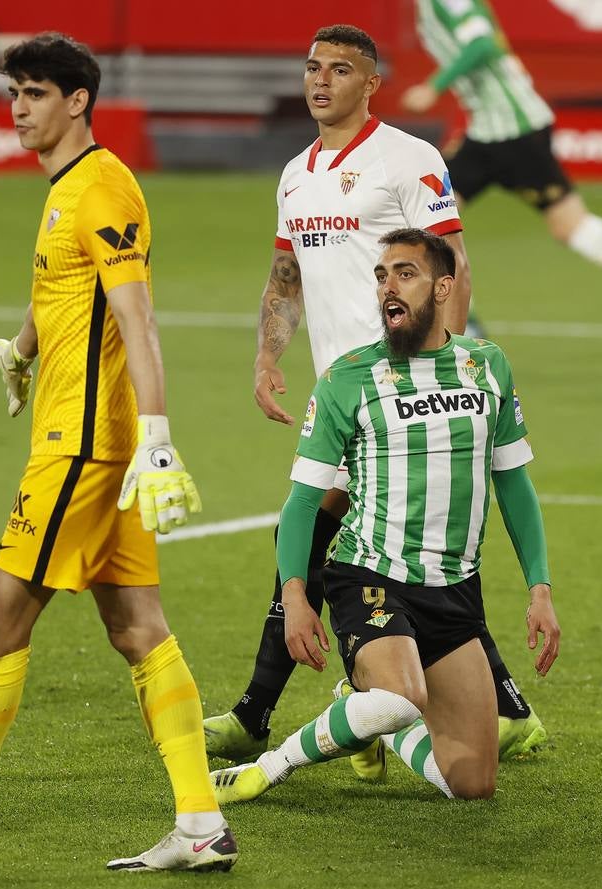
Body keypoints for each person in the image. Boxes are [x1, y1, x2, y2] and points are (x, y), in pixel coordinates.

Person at [0, 33, 237, 874]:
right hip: (93, 442)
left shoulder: (101, 187)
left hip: (83, 451)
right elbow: (63, 287)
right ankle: (202, 823)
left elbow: (136, 316)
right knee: (138, 629)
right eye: (14, 94)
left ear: (78, 101)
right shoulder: (69, 187)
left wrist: (161, 439)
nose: (18, 108)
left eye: (33, 93)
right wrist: (25, 348)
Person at [203, 23, 547, 775]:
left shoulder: (408, 159)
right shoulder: (295, 174)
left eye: (339, 69)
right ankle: (490, 708)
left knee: (337, 537)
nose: (319, 80)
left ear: (371, 83)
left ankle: (267, 714)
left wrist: (444, 369)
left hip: (405, 395)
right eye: (312, 67)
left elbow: (452, 263)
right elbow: (285, 274)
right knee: (391, 551)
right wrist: (267, 355)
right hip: (347, 394)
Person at [210, 227, 560, 805]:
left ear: (443, 287)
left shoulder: (487, 367)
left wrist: (540, 589)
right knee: (400, 697)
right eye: (381, 275)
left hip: (454, 593)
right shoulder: (348, 378)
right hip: (370, 578)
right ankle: (269, 768)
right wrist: (296, 596)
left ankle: (369, 719)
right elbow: (302, 502)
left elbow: (514, 483)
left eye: (405, 274)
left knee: (473, 782)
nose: (387, 287)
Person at [402, 0, 602, 362]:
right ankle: (467, 327)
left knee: (567, 226)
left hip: (516, 133)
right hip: (491, 131)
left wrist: (434, 87)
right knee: (427, 222)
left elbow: (482, 45)